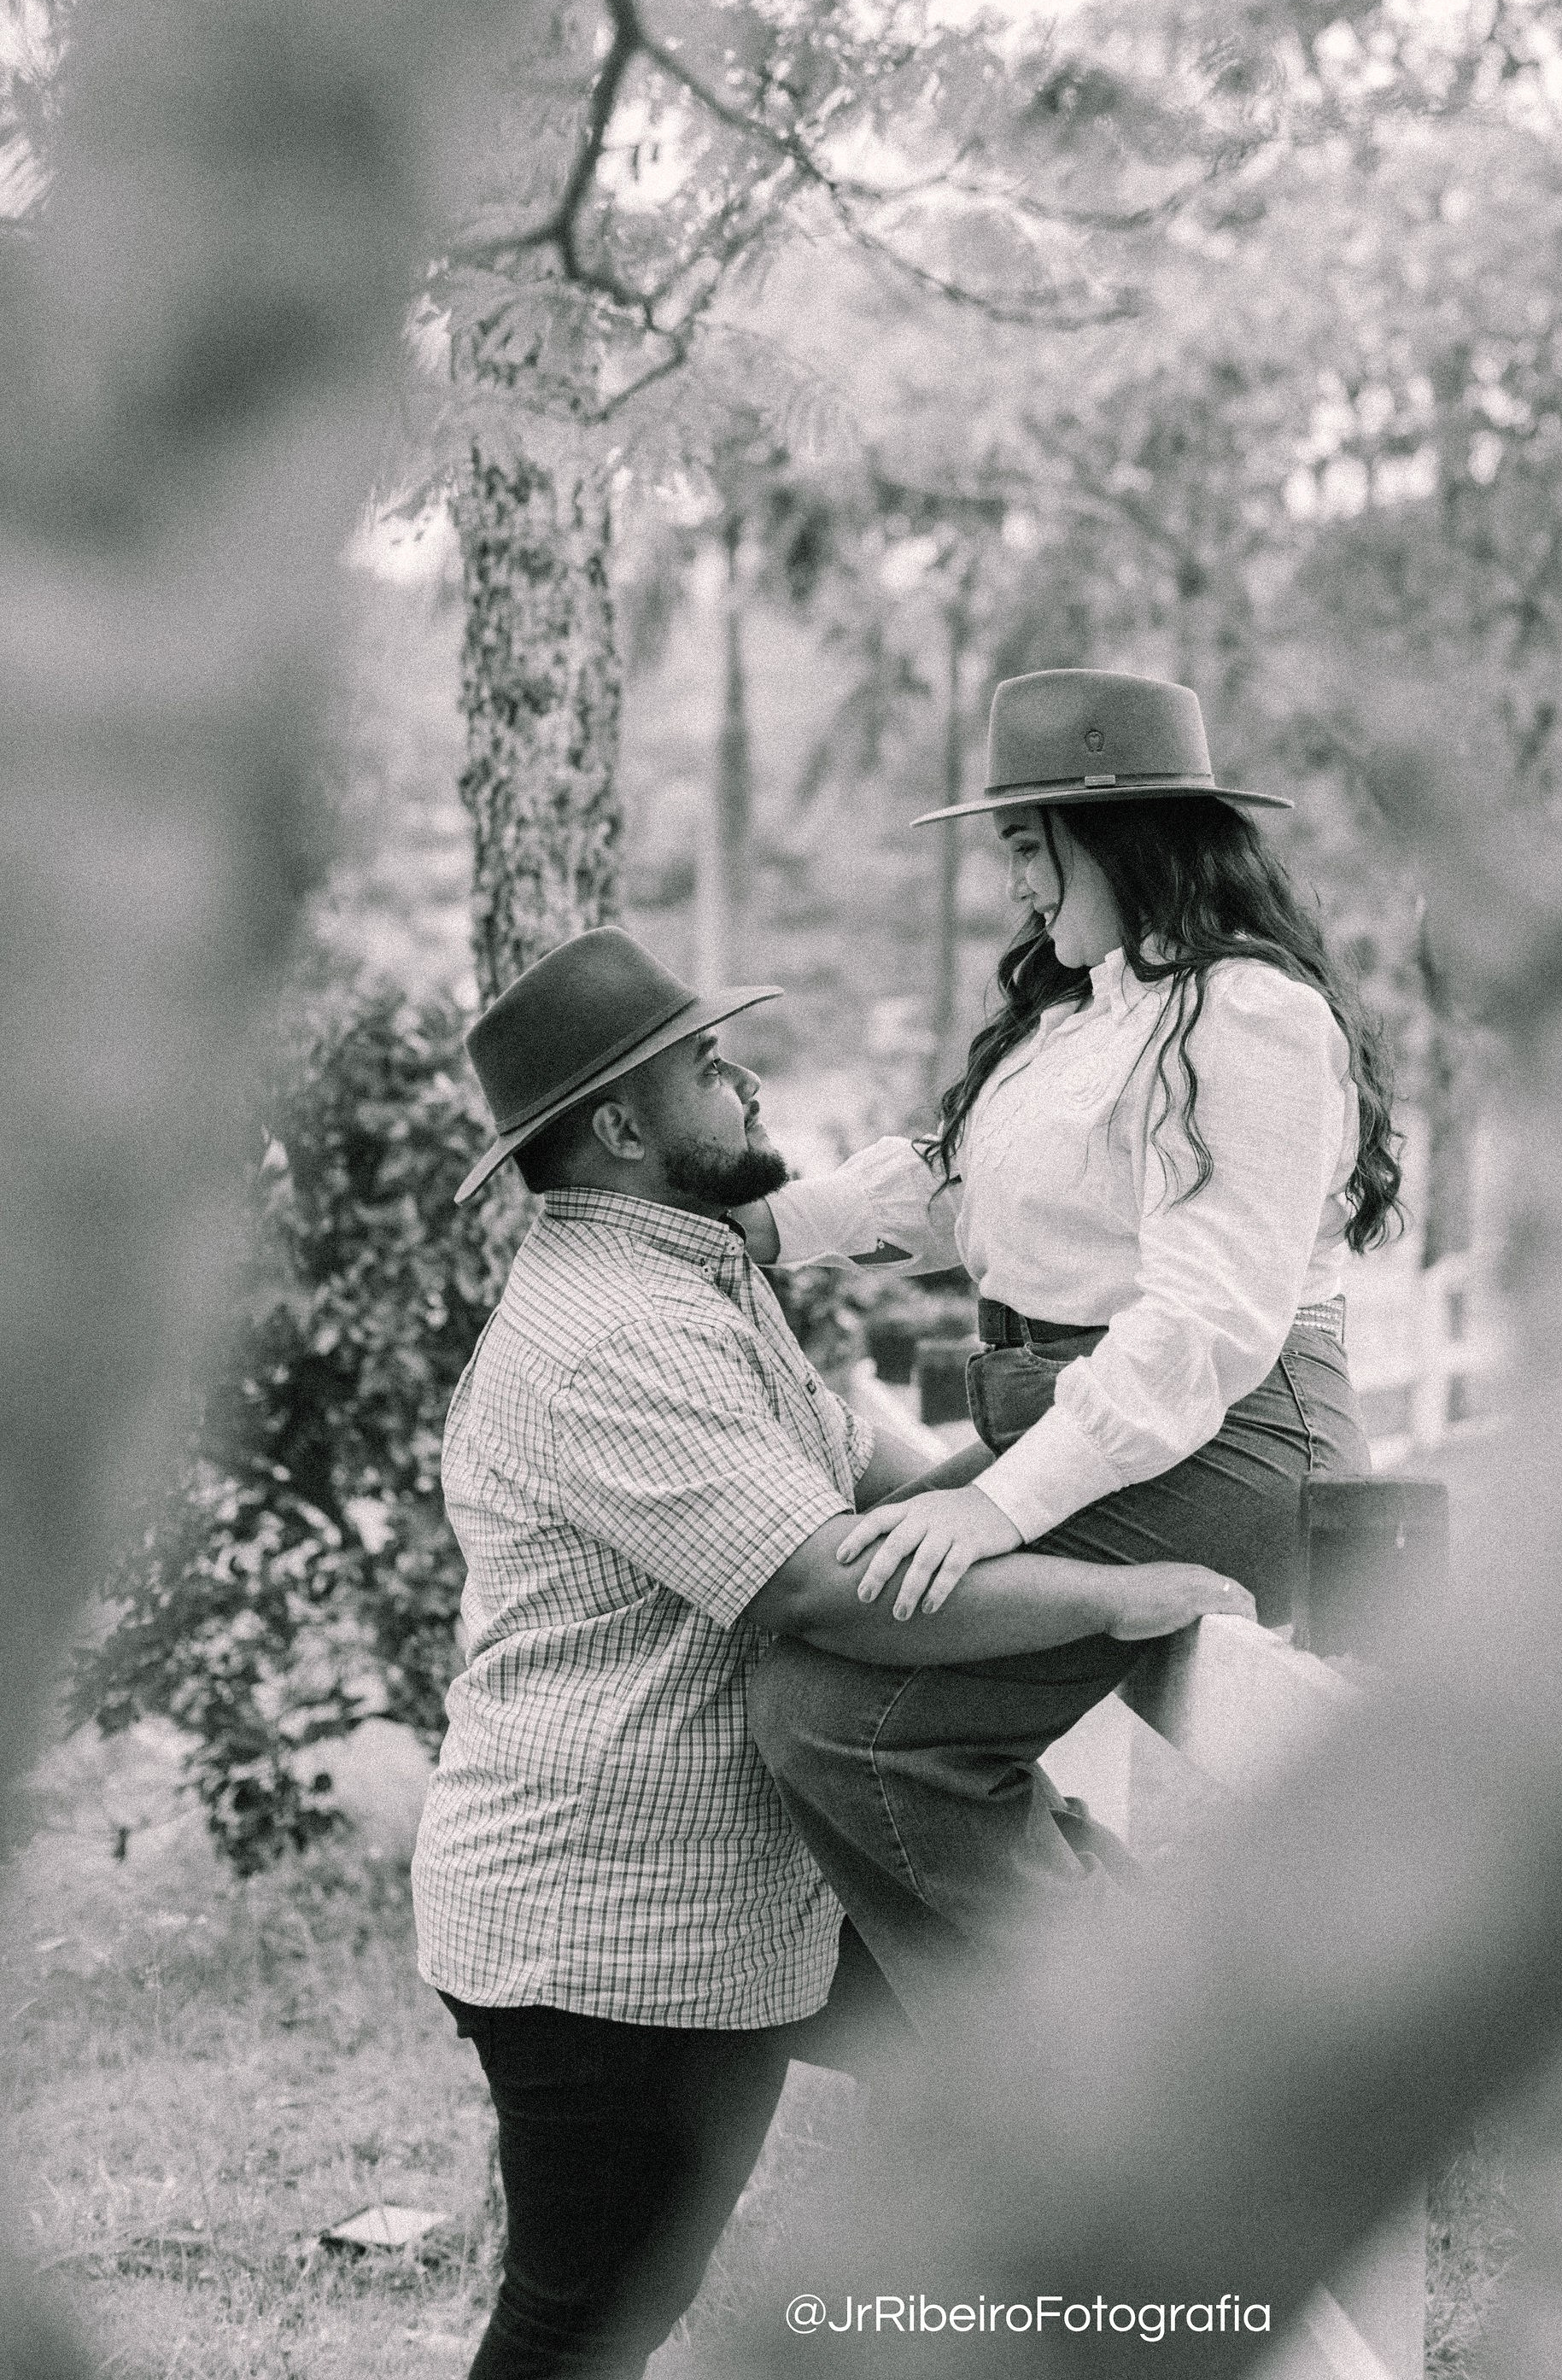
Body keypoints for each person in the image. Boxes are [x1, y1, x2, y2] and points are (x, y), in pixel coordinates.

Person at [412, 925, 1250, 2380]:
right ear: (620, 1128)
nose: (742, 1081)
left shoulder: (688, 1273)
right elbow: (824, 1589)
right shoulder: (611, 1334)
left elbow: (855, 1467)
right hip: (609, 1933)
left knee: (1050, 2048)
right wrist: (1119, 1598)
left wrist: (1032, 1506)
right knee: (579, 2327)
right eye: (703, 1066)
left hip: (728, 1893)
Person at [739, 667, 1401, 2018]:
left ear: (1123, 836)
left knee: (850, 1726)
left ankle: (1109, 2059)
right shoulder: (1080, 1014)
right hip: (1083, 1424)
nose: (1019, 888)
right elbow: (945, 1182)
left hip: (1226, 1436)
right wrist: (764, 1227)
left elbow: (1205, 1324)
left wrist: (994, 1507)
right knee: (808, 1690)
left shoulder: (1251, 1019)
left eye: (1029, 850)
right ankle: (1115, 2021)